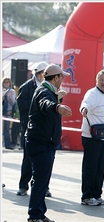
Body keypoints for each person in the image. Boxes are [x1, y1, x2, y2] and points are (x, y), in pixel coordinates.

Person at [25, 64, 72, 222]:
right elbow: (45, 104)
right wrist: (57, 106)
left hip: (42, 142)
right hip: (40, 143)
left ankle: (39, 212)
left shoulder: (47, 90)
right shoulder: (44, 92)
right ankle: (34, 216)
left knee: (42, 181)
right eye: (62, 77)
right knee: (40, 182)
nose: (63, 80)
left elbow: (46, 106)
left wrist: (58, 100)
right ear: (56, 78)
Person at [80, 70, 104, 206]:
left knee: (100, 167)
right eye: (101, 80)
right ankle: (87, 196)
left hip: (102, 136)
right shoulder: (92, 94)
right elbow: (85, 104)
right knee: (90, 167)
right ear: (97, 81)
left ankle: (97, 195)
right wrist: (84, 110)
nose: (103, 82)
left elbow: (102, 117)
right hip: (91, 137)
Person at [16, 62, 53, 197]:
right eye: (42, 73)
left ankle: (44, 187)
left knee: (45, 161)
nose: (44, 75)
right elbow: (21, 104)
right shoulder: (27, 86)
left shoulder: (49, 87)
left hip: (44, 129)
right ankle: (23, 185)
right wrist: (36, 102)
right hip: (30, 128)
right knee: (28, 158)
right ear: (37, 73)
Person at [2, 76, 15, 149]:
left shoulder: (12, 91)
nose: (6, 84)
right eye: (5, 82)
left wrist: (9, 97)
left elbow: (13, 103)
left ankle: (7, 143)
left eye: (7, 82)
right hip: (2, 109)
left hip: (7, 111)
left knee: (6, 128)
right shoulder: (2, 91)